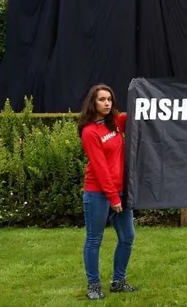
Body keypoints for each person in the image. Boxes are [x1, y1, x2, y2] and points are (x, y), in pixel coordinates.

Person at [78, 84, 136, 301]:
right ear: (93, 102)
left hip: (121, 191)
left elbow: (138, 112)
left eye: (109, 99)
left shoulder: (116, 123)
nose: (106, 103)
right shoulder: (90, 132)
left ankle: (118, 282)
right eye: (102, 99)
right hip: (98, 193)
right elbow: (101, 168)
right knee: (94, 239)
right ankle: (93, 285)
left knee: (127, 237)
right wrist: (113, 197)